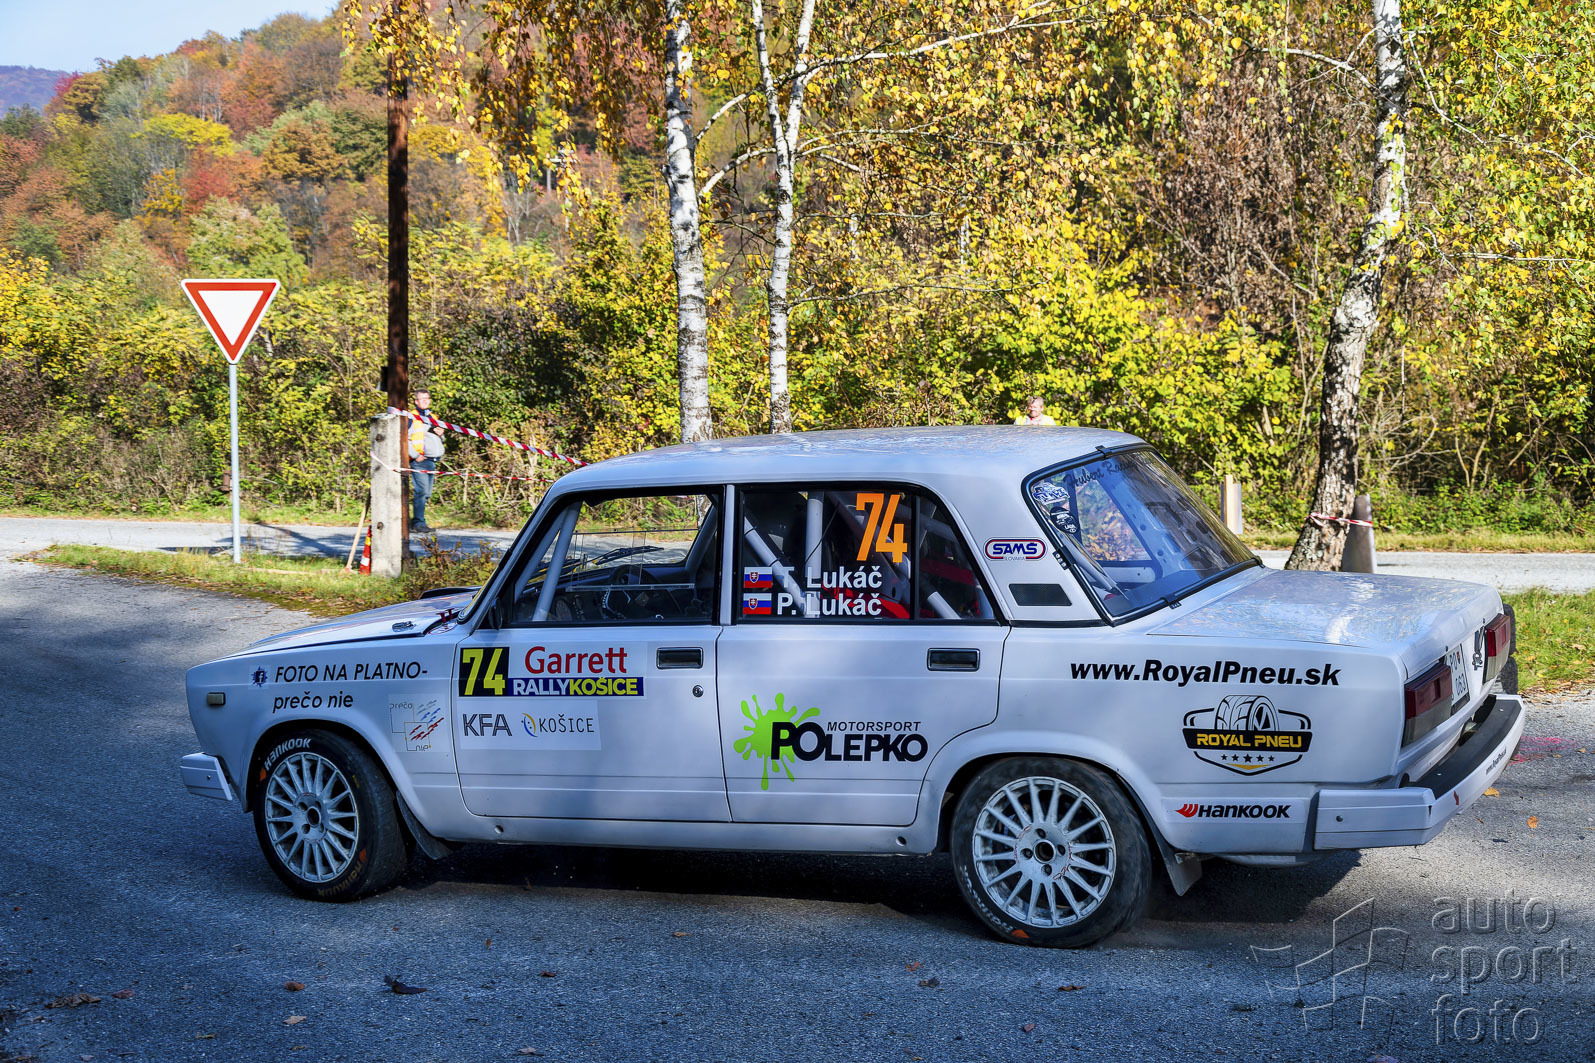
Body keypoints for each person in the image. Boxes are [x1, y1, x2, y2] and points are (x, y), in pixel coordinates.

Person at [408, 390, 446, 532]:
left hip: (431, 461)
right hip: (419, 461)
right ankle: (417, 524)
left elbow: (437, 439)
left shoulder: (433, 417)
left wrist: (441, 435)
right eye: (421, 399)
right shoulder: (411, 417)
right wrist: (414, 455)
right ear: (416, 401)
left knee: (427, 493)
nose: (424, 401)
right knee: (422, 492)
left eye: (427, 398)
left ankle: (419, 522)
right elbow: (403, 437)